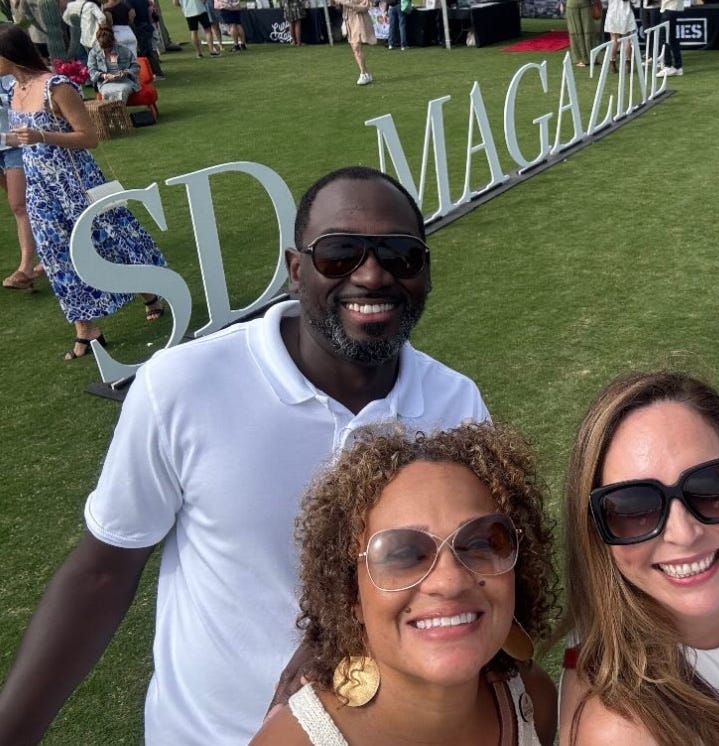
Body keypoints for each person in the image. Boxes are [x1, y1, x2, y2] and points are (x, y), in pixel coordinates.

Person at [0, 165, 490, 745]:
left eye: (400, 255)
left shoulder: (455, 402)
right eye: (339, 254)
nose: (373, 274)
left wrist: (341, 632)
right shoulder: (183, 385)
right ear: (294, 270)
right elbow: (103, 574)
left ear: (425, 272)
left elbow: (473, 572)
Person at [251, 422, 559, 745]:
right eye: (403, 554)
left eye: (481, 543)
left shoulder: (533, 703)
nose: (450, 580)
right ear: (351, 595)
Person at [559, 371, 719, 746]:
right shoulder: (620, 729)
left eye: (711, 488)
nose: (684, 533)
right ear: (597, 532)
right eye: (634, 509)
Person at [0, 23, 166, 360]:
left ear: (7, 54)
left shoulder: (56, 87)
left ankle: (150, 293)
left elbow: (88, 138)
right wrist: (15, 140)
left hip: (76, 184)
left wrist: (42, 137)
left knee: (110, 242)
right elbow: (22, 136)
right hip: (41, 191)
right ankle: (87, 331)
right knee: (57, 257)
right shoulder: (14, 89)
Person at [0, 73, 39, 291]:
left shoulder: (11, 73)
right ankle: (41, 255)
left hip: (15, 143)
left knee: (19, 204)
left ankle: (26, 268)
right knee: (19, 204)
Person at [87, 26, 141, 101]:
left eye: (109, 47)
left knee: (122, 90)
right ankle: (116, 112)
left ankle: (119, 112)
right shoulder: (93, 53)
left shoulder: (124, 50)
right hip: (105, 83)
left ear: (113, 41)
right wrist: (104, 75)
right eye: (104, 48)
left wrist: (125, 72)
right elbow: (91, 71)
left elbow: (136, 67)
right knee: (106, 92)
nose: (107, 50)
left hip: (125, 81)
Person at [335, 0, 375, 85]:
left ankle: (363, 73)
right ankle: (365, 72)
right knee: (355, 48)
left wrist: (348, 4)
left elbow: (365, 7)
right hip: (349, 20)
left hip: (360, 19)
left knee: (356, 45)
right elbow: (337, 6)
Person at [559, 0, 595, 68]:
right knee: (587, 30)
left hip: (573, 4)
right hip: (584, 3)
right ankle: (591, 57)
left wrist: (562, 3)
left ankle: (581, 59)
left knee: (576, 31)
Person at [602, 0, 634, 72]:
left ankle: (613, 62)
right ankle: (627, 62)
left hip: (612, 12)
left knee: (614, 39)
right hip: (625, 11)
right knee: (627, 38)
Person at [654, 0, 683, 77]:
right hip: (671, 8)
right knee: (672, 38)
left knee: (664, 37)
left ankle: (668, 65)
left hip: (670, 8)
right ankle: (678, 67)